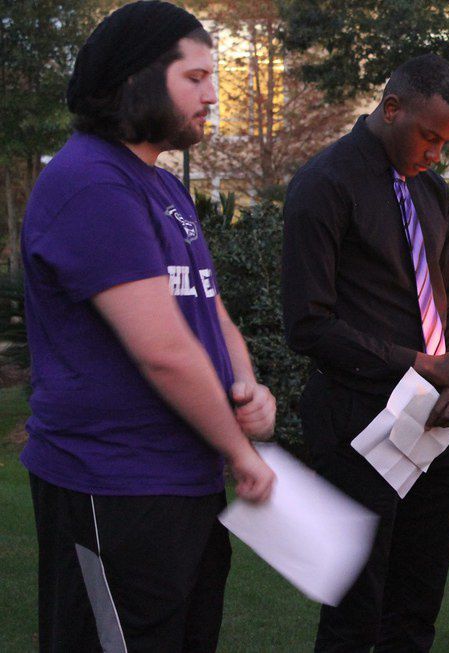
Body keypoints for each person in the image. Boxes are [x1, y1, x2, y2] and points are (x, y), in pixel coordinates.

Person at [20, 3, 277, 651]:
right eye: (194, 77)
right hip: (112, 484)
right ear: (134, 80)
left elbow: (210, 310)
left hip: (182, 483)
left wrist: (247, 385)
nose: (212, 95)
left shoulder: (163, 187)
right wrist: (242, 453)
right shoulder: (92, 184)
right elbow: (162, 349)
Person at [281, 53, 449, 652]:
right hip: (357, 419)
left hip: (436, 423)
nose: (437, 154)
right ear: (392, 108)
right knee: (353, 613)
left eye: (447, 142)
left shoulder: (430, 190)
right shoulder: (325, 184)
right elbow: (307, 324)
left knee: (416, 609)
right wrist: (425, 364)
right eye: (430, 137)